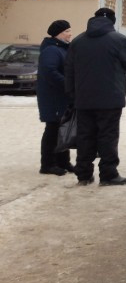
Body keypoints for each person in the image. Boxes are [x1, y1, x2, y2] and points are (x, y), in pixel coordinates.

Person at [64, 7, 126, 186]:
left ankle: (83, 174)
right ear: (112, 21)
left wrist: (72, 96)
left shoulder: (77, 41)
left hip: (83, 99)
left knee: (85, 136)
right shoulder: (119, 40)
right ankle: (108, 174)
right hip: (110, 99)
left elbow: (69, 71)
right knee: (108, 136)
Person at [36, 19, 73, 176]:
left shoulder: (62, 48)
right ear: (58, 34)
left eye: (70, 30)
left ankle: (63, 161)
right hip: (53, 98)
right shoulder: (51, 50)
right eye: (66, 31)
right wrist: (68, 84)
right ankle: (47, 164)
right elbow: (50, 72)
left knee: (62, 129)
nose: (70, 34)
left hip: (61, 97)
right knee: (52, 130)